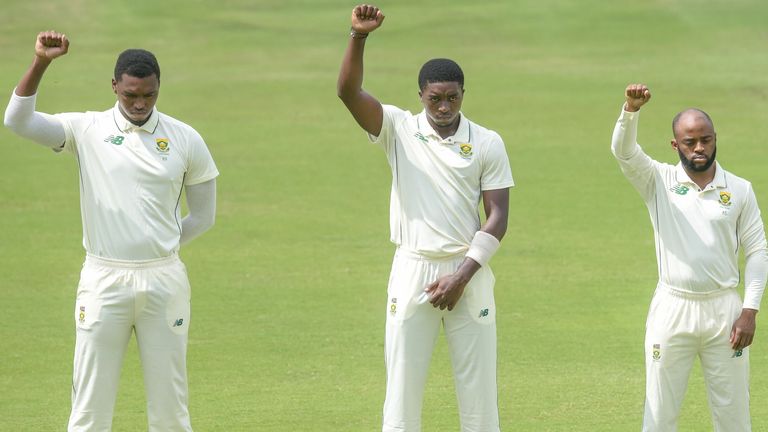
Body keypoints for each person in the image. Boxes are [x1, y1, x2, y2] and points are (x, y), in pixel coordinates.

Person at [4, 31, 219, 431]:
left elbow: (204, 216)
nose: (139, 104)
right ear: (115, 86)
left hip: (164, 279)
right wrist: (41, 62)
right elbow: (17, 120)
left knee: (171, 409)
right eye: (131, 95)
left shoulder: (185, 138)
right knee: (89, 408)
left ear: (158, 89)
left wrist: (159, 246)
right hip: (103, 279)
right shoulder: (86, 129)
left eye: (149, 96)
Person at [337, 5, 514, 431]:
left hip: (468, 270)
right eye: (435, 98)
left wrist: (462, 276)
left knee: (479, 397)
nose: (444, 106)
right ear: (420, 96)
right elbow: (347, 92)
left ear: (463, 95)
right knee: (401, 392)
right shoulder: (398, 127)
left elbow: (498, 217)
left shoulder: (487, 142)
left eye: (452, 97)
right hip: (413, 268)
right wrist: (358, 37)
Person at [611, 84, 768, 431]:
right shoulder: (658, 180)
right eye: (690, 141)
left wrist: (750, 310)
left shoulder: (739, 189)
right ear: (675, 145)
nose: (699, 148)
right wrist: (631, 111)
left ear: (715, 139)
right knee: (660, 412)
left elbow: (758, 249)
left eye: (706, 140)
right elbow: (623, 152)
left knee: (733, 414)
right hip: (673, 308)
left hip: (725, 311)